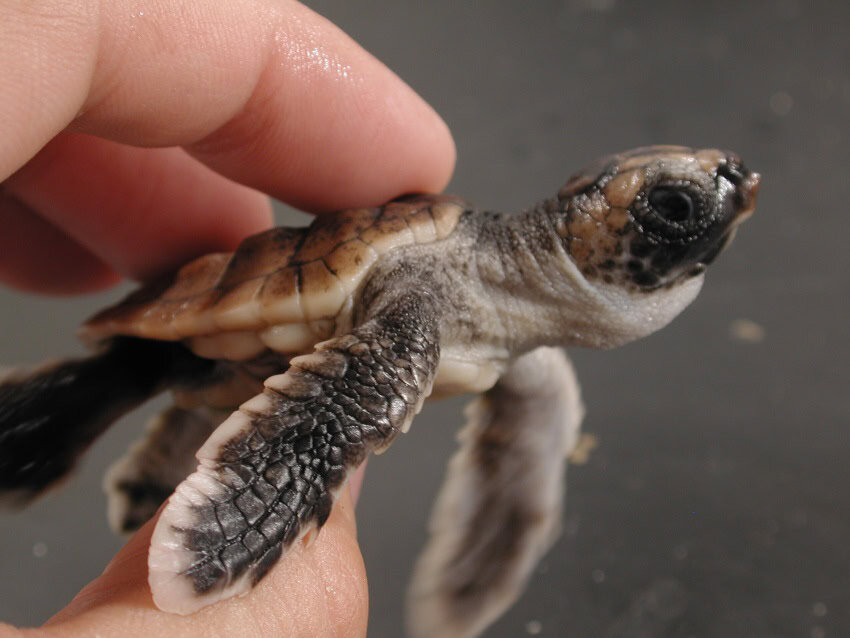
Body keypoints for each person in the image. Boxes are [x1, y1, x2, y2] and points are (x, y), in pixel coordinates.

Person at [0, 1, 455, 635]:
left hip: (238, 350)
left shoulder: (531, 342)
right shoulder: (433, 291)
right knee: (113, 390)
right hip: (240, 312)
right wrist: (278, 486)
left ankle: (144, 456)